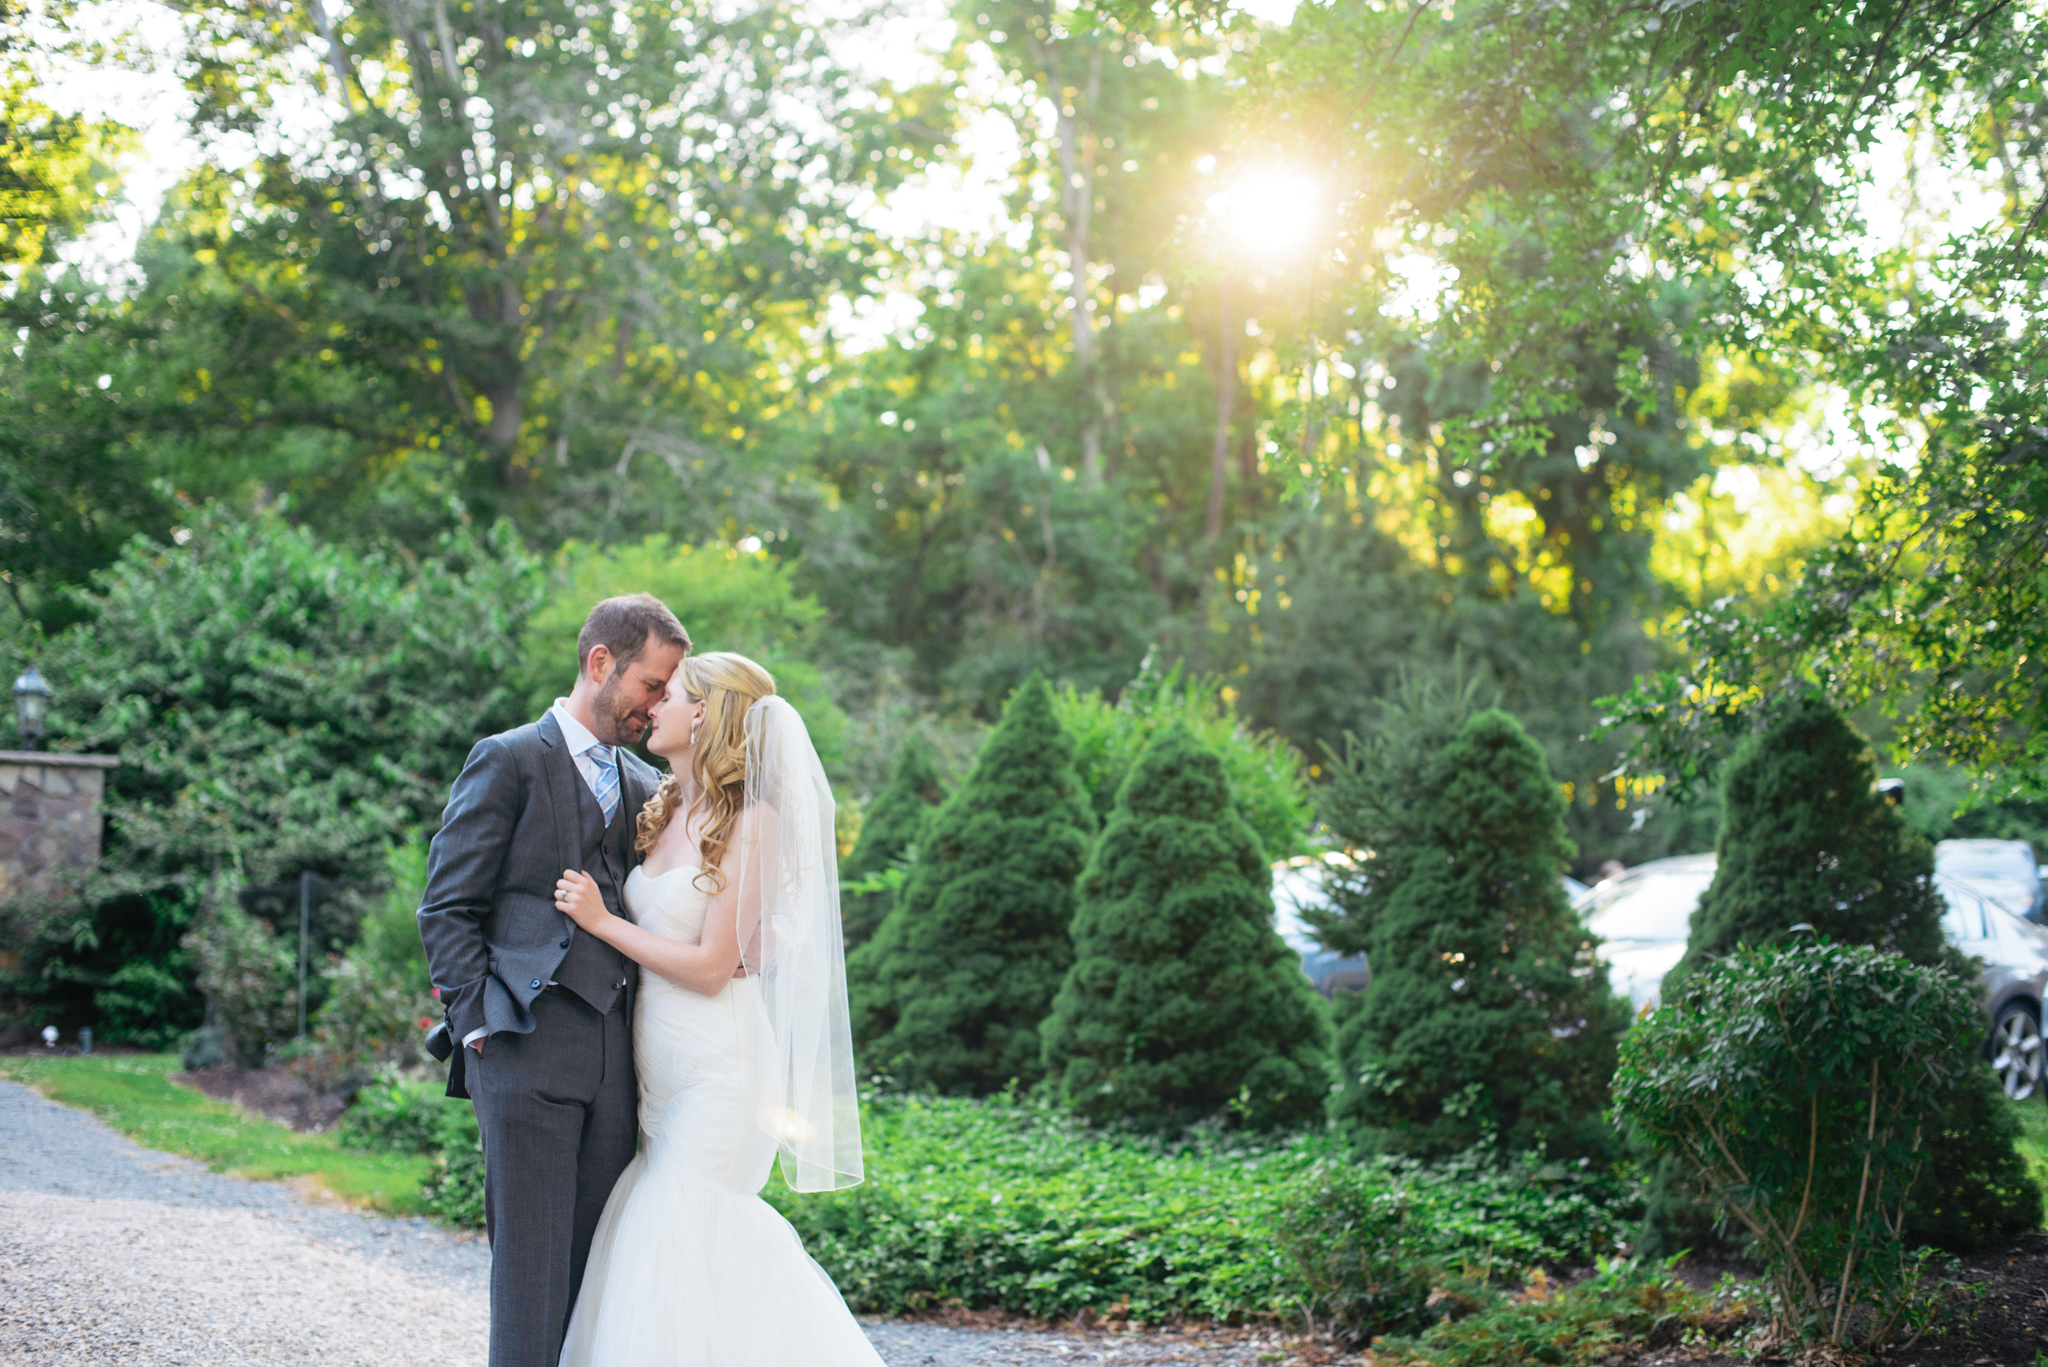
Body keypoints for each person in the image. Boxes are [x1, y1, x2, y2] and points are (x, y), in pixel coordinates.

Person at [552, 651, 880, 1367]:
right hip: (658, 1081)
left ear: (701, 712)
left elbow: (707, 968)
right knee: (666, 1242)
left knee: (678, 1230)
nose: (650, 706)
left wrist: (602, 921)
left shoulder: (752, 821)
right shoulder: (666, 804)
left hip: (721, 1072)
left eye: (665, 693)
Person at [417, 594, 691, 1367]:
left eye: (668, 690)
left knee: (597, 1277)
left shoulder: (645, 787)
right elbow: (446, 905)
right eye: (651, 684)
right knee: (531, 1277)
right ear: (601, 663)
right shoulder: (507, 759)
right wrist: (480, 1028)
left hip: (618, 1067)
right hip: (522, 1049)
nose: (657, 704)